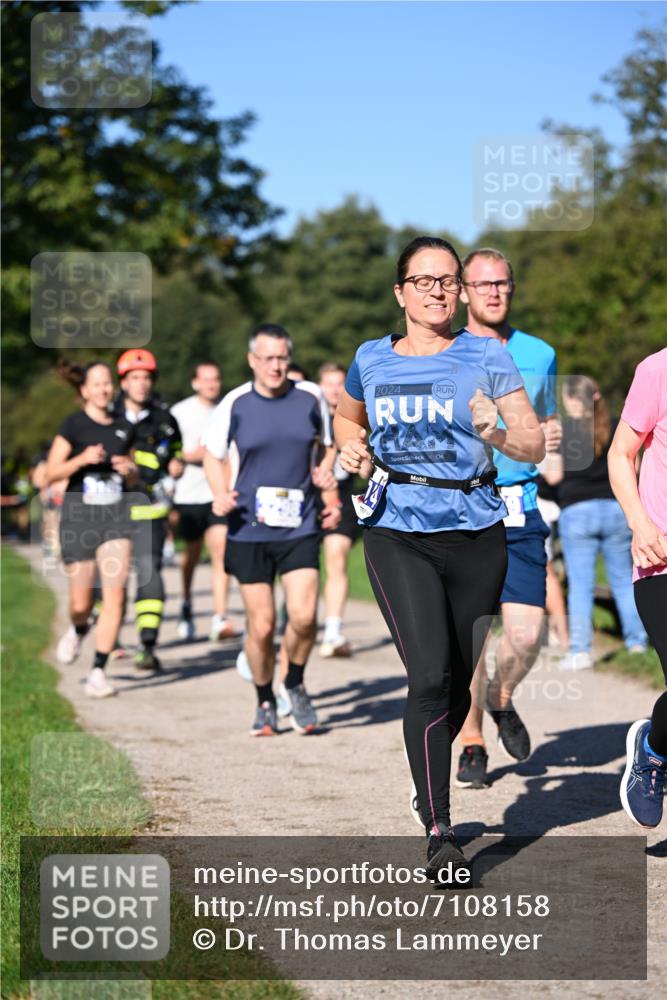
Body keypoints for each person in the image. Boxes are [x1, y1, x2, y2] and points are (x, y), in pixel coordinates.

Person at [334, 236, 545, 877]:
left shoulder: (485, 355)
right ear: (400, 292)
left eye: (448, 280)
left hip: (477, 530)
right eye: (423, 280)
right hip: (397, 527)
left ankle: (425, 776)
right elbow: (348, 419)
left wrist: (496, 432)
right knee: (427, 678)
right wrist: (351, 450)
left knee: (454, 686)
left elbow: (532, 443)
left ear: (460, 291)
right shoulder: (370, 358)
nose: (437, 290)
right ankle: (440, 828)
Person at [454, 248, 561, 789]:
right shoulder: (447, 352)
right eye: (482, 284)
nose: (493, 292)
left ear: (512, 288)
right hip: (464, 508)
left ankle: (500, 698)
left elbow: (544, 420)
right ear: (464, 292)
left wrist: (553, 435)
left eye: (502, 284)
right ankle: (471, 741)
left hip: (520, 506)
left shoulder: (540, 353)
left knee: (525, 634)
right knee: (473, 634)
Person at [203, 324, 341, 736]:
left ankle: (294, 682)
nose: (276, 366)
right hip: (248, 527)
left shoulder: (310, 397)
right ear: (252, 361)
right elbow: (212, 456)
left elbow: (329, 444)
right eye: (268, 358)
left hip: (298, 525)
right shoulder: (235, 404)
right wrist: (219, 493)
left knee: (303, 617)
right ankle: (264, 698)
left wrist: (325, 472)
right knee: (261, 626)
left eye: (282, 357)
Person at [47, 360, 135, 697]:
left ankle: (98, 670)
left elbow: (134, 471)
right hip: (79, 519)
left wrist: (130, 470)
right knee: (81, 603)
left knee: (115, 595)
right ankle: (79, 627)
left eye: (107, 383)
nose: (104, 389)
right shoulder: (73, 426)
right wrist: (81, 460)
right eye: (96, 384)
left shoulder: (124, 427)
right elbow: (50, 474)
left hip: (115, 518)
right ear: (84, 390)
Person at [608, 347, 667, 828]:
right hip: (661, 559)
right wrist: (639, 524)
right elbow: (621, 453)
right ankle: (653, 751)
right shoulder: (657, 370)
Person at [555, 376, 647, 670]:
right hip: (616, 509)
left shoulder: (564, 431)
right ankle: (637, 643)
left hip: (576, 512)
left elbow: (553, 477)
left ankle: (580, 652)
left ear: (571, 401)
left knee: (581, 585)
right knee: (622, 579)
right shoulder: (617, 423)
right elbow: (633, 465)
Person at [113, 349, 184, 672]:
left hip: (149, 511)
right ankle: (106, 633)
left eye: (146, 378)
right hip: (107, 512)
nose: (141, 384)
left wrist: (177, 464)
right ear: (123, 382)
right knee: (110, 578)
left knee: (149, 573)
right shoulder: (106, 415)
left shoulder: (165, 420)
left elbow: (174, 456)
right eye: (134, 378)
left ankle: (147, 642)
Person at [170, 362, 236, 642]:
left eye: (216, 379)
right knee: (192, 554)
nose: (211, 384)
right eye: (206, 380)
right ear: (195, 382)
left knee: (221, 550)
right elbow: (170, 450)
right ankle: (186, 601)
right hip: (187, 495)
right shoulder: (179, 412)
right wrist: (186, 457)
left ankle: (219, 617)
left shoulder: (229, 409)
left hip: (217, 493)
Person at [318, 362, 359, 657]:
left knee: (336, 557)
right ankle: (290, 618)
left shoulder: (357, 419)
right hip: (307, 496)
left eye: (339, 383)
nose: (334, 389)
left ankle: (332, 631)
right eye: (329, 383)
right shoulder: (305, 415)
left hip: (342, 497)